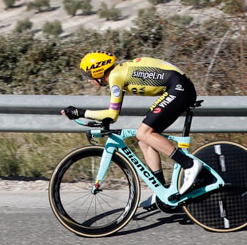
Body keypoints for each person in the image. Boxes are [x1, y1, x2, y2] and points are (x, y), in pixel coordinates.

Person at [60, 52, 204, 207]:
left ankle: (189, 164)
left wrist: (80, 113)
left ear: (98, 72)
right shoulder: (118, 73)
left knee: (144, 132)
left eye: (88, 75)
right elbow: (112, 114)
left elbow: (111, 114)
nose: (88, 80)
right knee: (144, 140)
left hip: (179, 88)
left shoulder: (116, 76)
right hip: (179, 86)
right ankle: (161, 192)